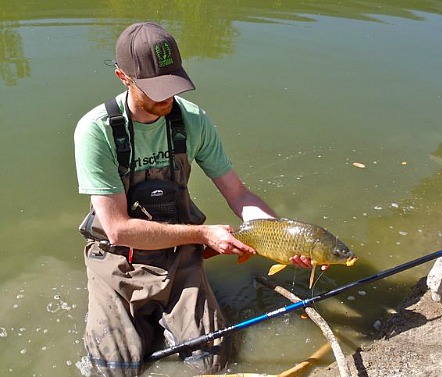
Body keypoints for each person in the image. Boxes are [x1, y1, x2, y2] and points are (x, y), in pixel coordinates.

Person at [74, 22, 317, 376]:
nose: (168, 97)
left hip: (179, 256)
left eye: (172, 85)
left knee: (212, 362)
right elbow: (117, 229)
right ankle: (125, 313)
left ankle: (165, 310)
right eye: (156, 89)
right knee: (114, 369)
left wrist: (281, 238)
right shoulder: (96, 131)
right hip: (118, 260)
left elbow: (238, 192)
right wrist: (204, 235)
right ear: (123, 77)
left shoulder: (193, 121)